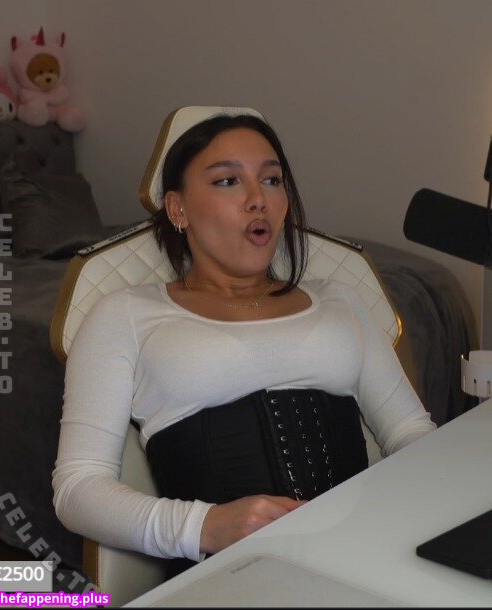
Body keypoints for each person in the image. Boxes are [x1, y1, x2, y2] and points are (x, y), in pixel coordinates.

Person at [52, 113, 436, 578]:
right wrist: (204, 526)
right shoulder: (125, 315)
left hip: (366, 558)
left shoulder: (340, 300)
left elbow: (411, 434)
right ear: (178, 209)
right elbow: (77, 489)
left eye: (272, 180)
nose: (259, 199)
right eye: (228, 181)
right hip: (228, 582)